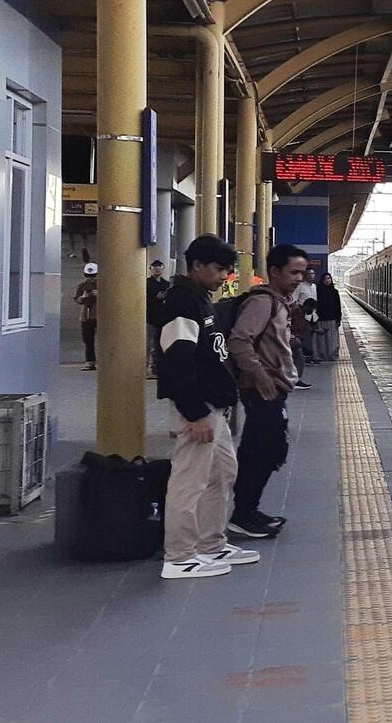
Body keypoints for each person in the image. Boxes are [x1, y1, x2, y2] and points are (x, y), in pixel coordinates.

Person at [155, 236, 255, 580]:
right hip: (198, 409)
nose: (224, 276)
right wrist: (194, 411)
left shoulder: (199, 299)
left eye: (228, 270)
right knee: (189, 482)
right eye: (219, 269)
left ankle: (210, 544)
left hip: (215, 407)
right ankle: (180, 557)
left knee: (222, 475)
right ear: (197, 265)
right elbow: (176, 362)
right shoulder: (182, 302)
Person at [227, 243, 307, 539]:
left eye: (303, 272)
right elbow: (239, 341)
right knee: (269, 451)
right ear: (274, 271)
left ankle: (246, 510)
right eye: (294, 272)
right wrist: (261, 378)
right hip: (264, 390)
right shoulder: (263, 303)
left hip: (271, 388)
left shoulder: (279, 302)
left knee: (253, 450)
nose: (300, 277)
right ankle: (244, 513)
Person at [145, 260, 168, 378]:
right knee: (148, 344)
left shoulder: (166, 284)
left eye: (159, 266)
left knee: (159, 344)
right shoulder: (146, 283)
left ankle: (156, 368)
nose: (157, 269)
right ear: (150, 269)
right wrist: (156, 298)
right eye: (154, 267)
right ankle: (145, 368)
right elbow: (143, 300)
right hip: (149, 317)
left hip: (162, 318)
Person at [313, 272, 343, 362]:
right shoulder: (318, 291)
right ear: (322, 280)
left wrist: (339, 318)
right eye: (325, 279)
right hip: (321, 318)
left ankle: (332, 356)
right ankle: (322, 356)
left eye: (329, 278)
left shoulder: (334, 292)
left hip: (332, 318)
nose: (327, 280)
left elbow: (338, 306)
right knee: (321, 339)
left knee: (332, 340)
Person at [75, 263, 99, 371]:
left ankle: (105, 361)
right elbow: (77, 299)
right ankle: (90, 362)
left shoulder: (103, 284)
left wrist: (99, 294)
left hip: (100, 315)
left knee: (105, 340)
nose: (91, 279)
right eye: (89, 276)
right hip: (86, 316)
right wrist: (84, 297)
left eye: (93, 276)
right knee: (88, 340)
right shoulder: (82, 285)